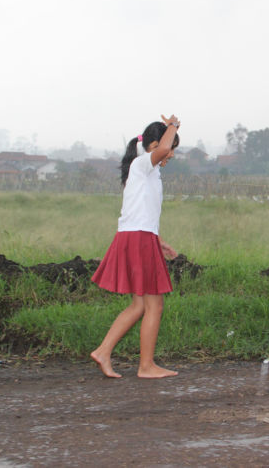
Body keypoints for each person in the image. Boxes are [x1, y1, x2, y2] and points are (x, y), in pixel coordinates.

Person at [90, 114, 181, 379]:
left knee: (140, 305)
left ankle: (104, 351)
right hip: (137, 239)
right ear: (153, 145)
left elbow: (142, 211)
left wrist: (158, 240)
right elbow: (163, 149)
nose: (171, 154)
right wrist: (173, 124)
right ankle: (146, 366)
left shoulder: (148, 171)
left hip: (140, 237)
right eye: (171, 147)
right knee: (155, 305)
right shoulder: (143, 164)